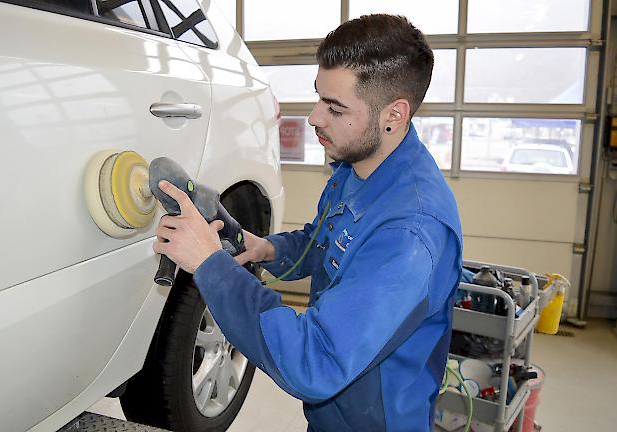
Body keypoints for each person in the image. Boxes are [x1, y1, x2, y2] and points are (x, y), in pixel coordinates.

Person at [153, 14, 462, 432]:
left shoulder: (410, 235)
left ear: (394, 114)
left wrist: (210, 264)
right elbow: (324, 245)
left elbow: (315, 362)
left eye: (335, 107)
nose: (314, 117)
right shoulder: (357, 169)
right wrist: (268, 248)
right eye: (319, 97)